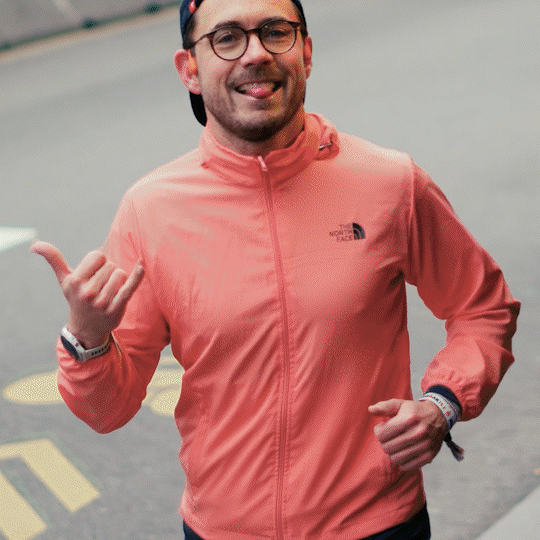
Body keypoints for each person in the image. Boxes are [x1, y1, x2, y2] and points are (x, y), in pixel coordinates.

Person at [31, 0, 520, 538]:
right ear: (189, 69)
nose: (255, 53)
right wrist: (88, 340)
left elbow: (483, 308)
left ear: (305, 53)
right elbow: (106, 410)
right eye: (226, 38)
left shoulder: (390, 183)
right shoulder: (151, 211)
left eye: (275, 31)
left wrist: (442, 402)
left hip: (377, 526)